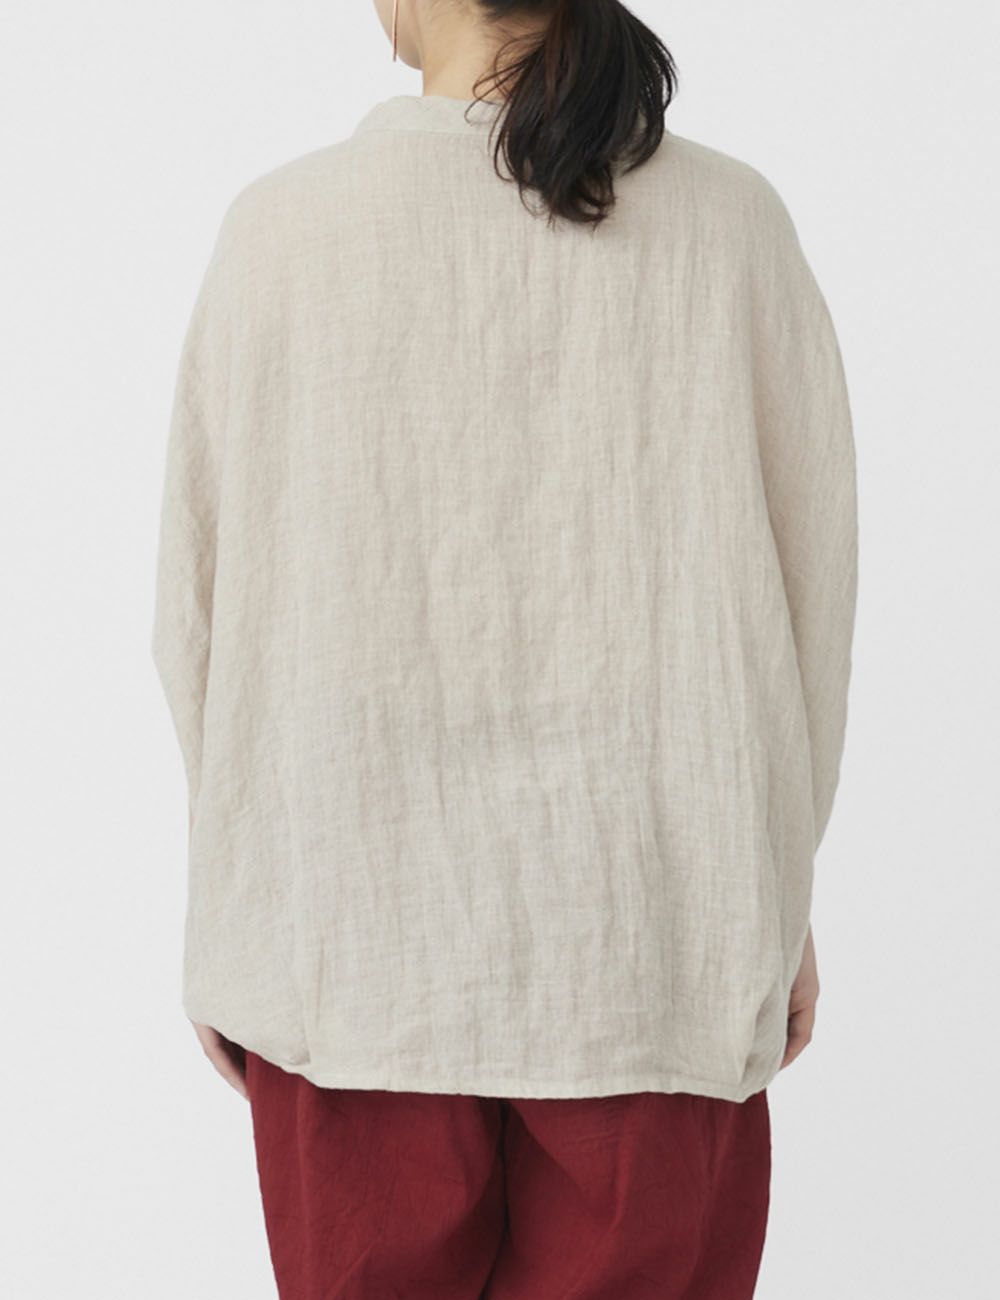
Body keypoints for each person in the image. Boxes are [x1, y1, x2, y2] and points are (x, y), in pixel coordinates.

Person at [151, 0, 858, 1295]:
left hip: (350, 957)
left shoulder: (282, 235)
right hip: (658, 946)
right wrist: (771, 889)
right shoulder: (734, 230)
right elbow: (808, 601)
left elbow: (203, 619)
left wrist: (238, 909)